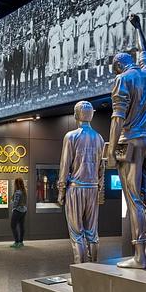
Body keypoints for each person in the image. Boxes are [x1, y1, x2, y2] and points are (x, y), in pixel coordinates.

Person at [108, 14, 146, 269]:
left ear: (118, 66)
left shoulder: (122, 79)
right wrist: (138, 27)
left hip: (131, 142)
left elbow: (117, 118)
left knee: (134, 199)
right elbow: (144, 51)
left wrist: (109, 150)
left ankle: (139, 257)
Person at [58, 101, 105, 264]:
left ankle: (80, 275)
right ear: (90, 115)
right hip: (92, 189)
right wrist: (99, 190)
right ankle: (93, 270)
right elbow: (101, 168)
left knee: (77, 233)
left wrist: (61, 191)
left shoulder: (71, 136)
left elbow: (65, 165)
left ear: (76, 115)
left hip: (76, 188)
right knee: (92, 233)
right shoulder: (99, 138)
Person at [10, 178, 27, 248]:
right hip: (24, 210)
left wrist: (13, 208)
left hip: (17, 211)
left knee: (13, 225)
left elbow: (15, 202)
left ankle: (16, 242)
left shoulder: (17, 192)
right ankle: (21, 242)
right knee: (21, 226)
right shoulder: (24, 191)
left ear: (16, 184)